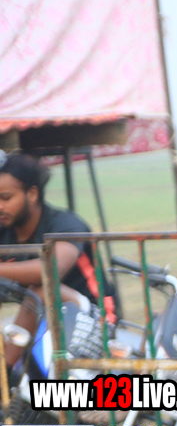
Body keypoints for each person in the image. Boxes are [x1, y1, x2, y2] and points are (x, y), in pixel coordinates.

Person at [0, 153, 109, 367]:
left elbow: (51, 270)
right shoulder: (5, 231)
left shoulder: (66, 224)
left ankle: (5, 372)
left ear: (32, 194)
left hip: (94, 316)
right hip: (44, 318)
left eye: (6, 198)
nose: (0, 206)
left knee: (41, 290)